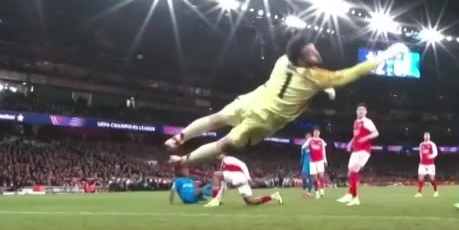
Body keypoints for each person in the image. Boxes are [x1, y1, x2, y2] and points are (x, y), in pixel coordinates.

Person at [165, 38, 409, 167]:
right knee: (223, 144)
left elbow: (302, 80)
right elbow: (352, 73)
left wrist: (325, 88)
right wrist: (387, 55)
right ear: (303, 58)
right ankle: (182, 161)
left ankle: (179, 138)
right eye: (312, 50)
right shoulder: (315, 77)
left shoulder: (284, 60)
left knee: (216, 119)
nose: (316, 51)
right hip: (265, 119)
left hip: (253, 99)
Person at [201, 154, 282, 208]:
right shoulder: (223, 165)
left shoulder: (228, 159)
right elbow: (223, 184)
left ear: (224, 154)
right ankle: (273, 196)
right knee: (251, 202)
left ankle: (214, 200)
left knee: (216, 174)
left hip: (239, 177)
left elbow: (243, 165)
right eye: (217, 155)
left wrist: (248, 177)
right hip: (241, 180)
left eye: (219, 154)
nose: (218, 156)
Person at [338, 104, 378, 206]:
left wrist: (365, 138)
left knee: (355, 171)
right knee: (349, 173)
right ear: (356, 111)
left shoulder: (367, 122)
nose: (361, 111)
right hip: (356, 150)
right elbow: (355, 135)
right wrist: (350, 143)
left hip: (364, 150)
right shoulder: (356, 122)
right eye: (359, 109)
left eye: (363, 109)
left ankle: (355, 198)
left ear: (366, 112)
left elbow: (376, 133)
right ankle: (349, 194)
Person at [305, 129, 329, 198]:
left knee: (321, 175)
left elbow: (324, 151)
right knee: (314, 178)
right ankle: (317, 192)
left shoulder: (321, 141)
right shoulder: (310, 140)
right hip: (312, 161)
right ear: (313, 133)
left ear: (319, 133)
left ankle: (322, 190)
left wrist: (325, 160)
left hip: (320, 161)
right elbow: (303, 146)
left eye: (317, 132)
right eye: (315, 132)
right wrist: (307, 148)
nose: (316, 133)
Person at [416, 132, 439, 197]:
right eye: (425, 136)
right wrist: (421, 160)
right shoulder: (421, 144)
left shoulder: (432, 144)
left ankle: (436, 191)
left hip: (430, 164)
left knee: (432, 179)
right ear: (423, 137)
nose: (426, 137)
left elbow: (435, 153)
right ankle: (419, 193)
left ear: (429, 137)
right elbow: (420, 153)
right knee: (420, 178)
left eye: (427, 136)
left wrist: (430, 156)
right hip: (422, 164)